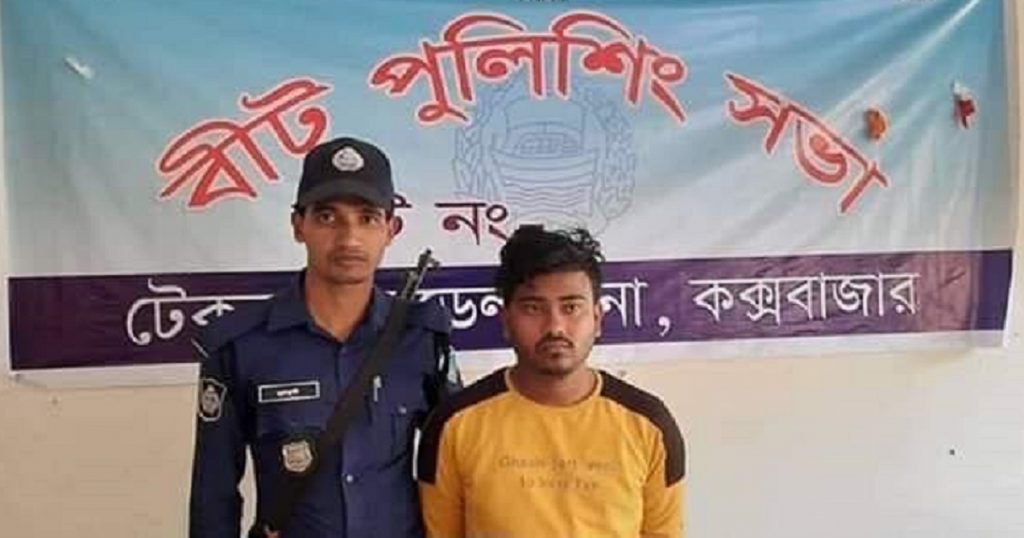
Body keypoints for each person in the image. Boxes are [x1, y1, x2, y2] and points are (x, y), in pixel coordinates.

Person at [189, 136, 459, 537]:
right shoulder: (240, 345)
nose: (349, 239)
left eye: (367, 218)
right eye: (328, 217)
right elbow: (214, 496)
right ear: (299, 226)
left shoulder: (421, 338)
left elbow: (462, 465)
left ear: (391, 228)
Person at [417, 226, 686, 538]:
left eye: (571, 308)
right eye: (533, 308)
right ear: (506, 320)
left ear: (597, 319)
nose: (555, 326)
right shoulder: (453, 425)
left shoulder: (649, 425)